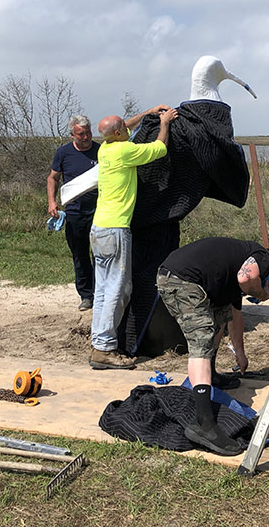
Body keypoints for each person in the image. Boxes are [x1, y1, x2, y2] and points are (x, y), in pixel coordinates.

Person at [156, 237, 269, 455]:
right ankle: (205, 424)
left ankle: (211, 375)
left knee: (218, 319)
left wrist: (240, 353)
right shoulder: (262, 257)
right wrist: (263, 292)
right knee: (201, 339)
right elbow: (246, 277)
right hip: (182, 280)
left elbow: (233, 318)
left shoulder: (232, 270)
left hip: (187, 278)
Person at [89, 104, 178, 370]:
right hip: (116, 230)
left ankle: (98, 342)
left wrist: (147, 113)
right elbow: (160, 148)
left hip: (99, 230)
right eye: (123, 129)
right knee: (119, 289)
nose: (128, 130)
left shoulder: (105, 148)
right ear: (118, 134)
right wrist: (165, 122)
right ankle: (104, 349)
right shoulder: (124, 151)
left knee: (103, 290)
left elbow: (124, 125)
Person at [47, 115, 99, 311]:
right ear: (72, 135)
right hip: (75, 213)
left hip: (100, 211)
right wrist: (52, 202)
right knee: (80, 255)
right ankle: (86, 295)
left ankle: (101, 293)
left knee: (101, 255)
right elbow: (52, 178)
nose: (86, 137)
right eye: (81, 134)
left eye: (88, 132)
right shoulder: (63, 153)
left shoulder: (100, 151)